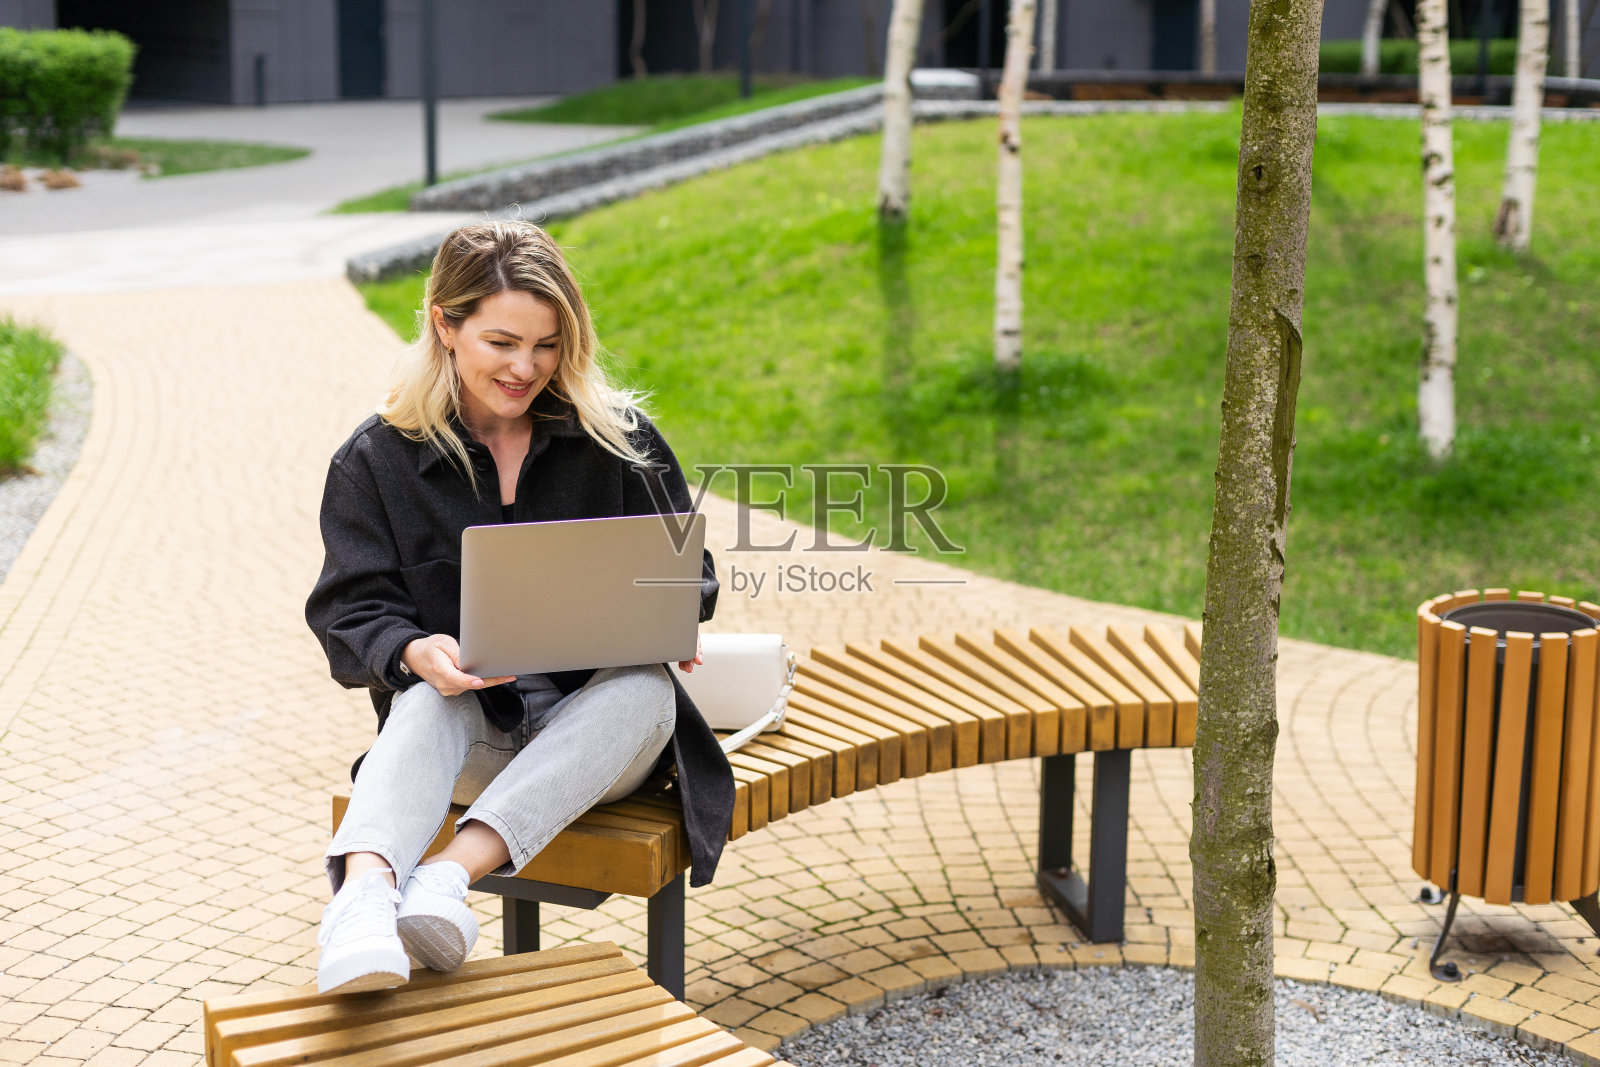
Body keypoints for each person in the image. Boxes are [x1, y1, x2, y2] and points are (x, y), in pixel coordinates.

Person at [305, 220, 734, 995]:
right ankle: (361, 900)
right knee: (426, 698)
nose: (526, 367)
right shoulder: (376, 460)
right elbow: (349, 606)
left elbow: (691, 572)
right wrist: (410, 650)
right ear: (444, 323)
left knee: (645, 690)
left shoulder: (618, 442)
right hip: (470, 736)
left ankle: (442, 879)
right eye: (503, 342)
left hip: (595, 743)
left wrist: (667, 614)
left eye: (546, 345)